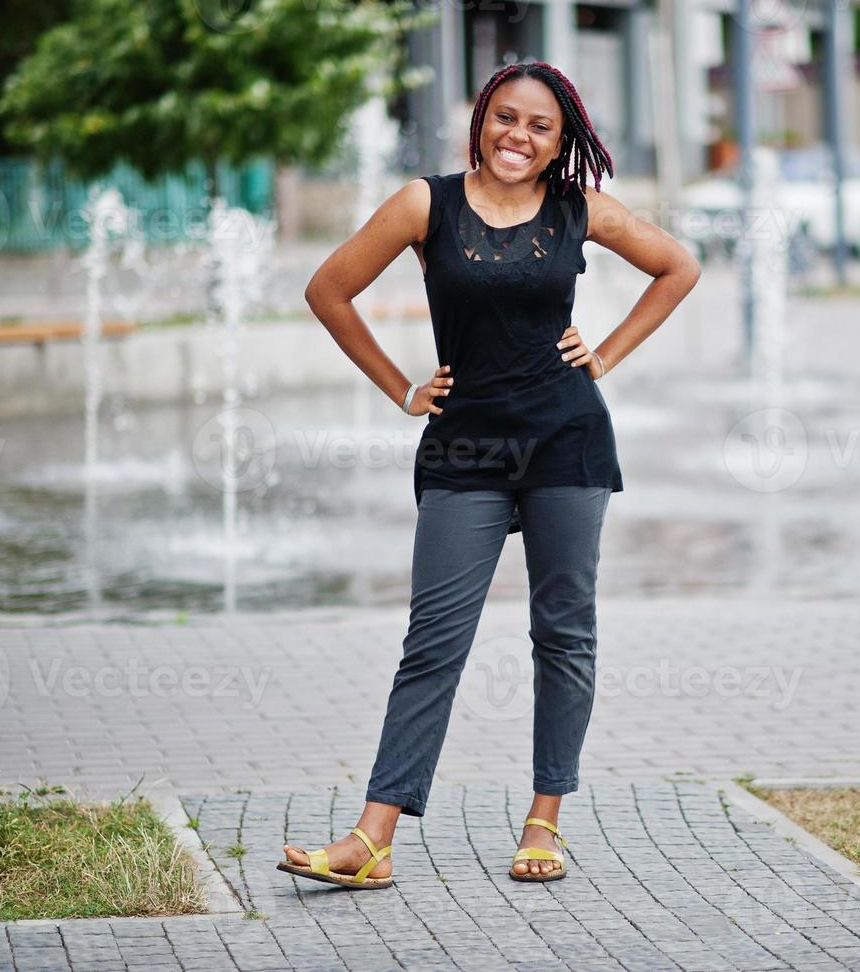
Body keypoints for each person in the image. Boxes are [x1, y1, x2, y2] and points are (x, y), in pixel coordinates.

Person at [279, 60, 700, 888]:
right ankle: (371, 841)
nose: (519, 135)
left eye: (539, 127)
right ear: (481, 120)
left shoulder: (580, 211)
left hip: (566, 443)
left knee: (563, 635)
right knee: (432, 643)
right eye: (505, 118)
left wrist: (605, 353)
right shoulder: (421, 204)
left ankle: (544, 821)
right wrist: (400, 386)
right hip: (463, 447)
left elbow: (677, 268)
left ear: (560, 142)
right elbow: (327, 289)